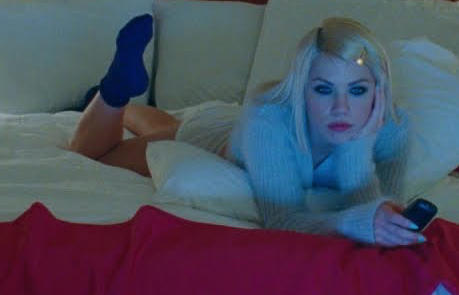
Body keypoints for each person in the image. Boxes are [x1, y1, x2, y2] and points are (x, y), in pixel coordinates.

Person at [68, 14, 424, 248]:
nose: (341, 108)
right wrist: (355, 214)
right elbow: (282, 219)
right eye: (323, 89)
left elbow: (380, 213)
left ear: (379, 90)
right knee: (99, 154)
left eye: (357, 90)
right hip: (217, 136)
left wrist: (358, 148)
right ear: (300, 90)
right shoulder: (269, 120)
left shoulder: (393, 128)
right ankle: (112, 92)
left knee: (166, 126)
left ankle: (110, 101)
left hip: (234, 121)